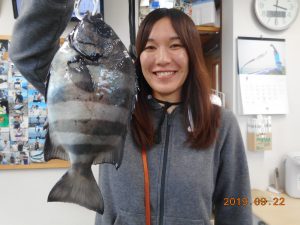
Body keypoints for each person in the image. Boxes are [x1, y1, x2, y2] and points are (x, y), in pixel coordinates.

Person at [9, 1, 252, 225]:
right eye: (150, 47)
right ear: (138, 56)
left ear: (192, 53)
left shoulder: (222, 124)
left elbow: (237, 204)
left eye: (175, 45)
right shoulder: (115, 103)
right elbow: (27, 53)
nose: (162, 58)